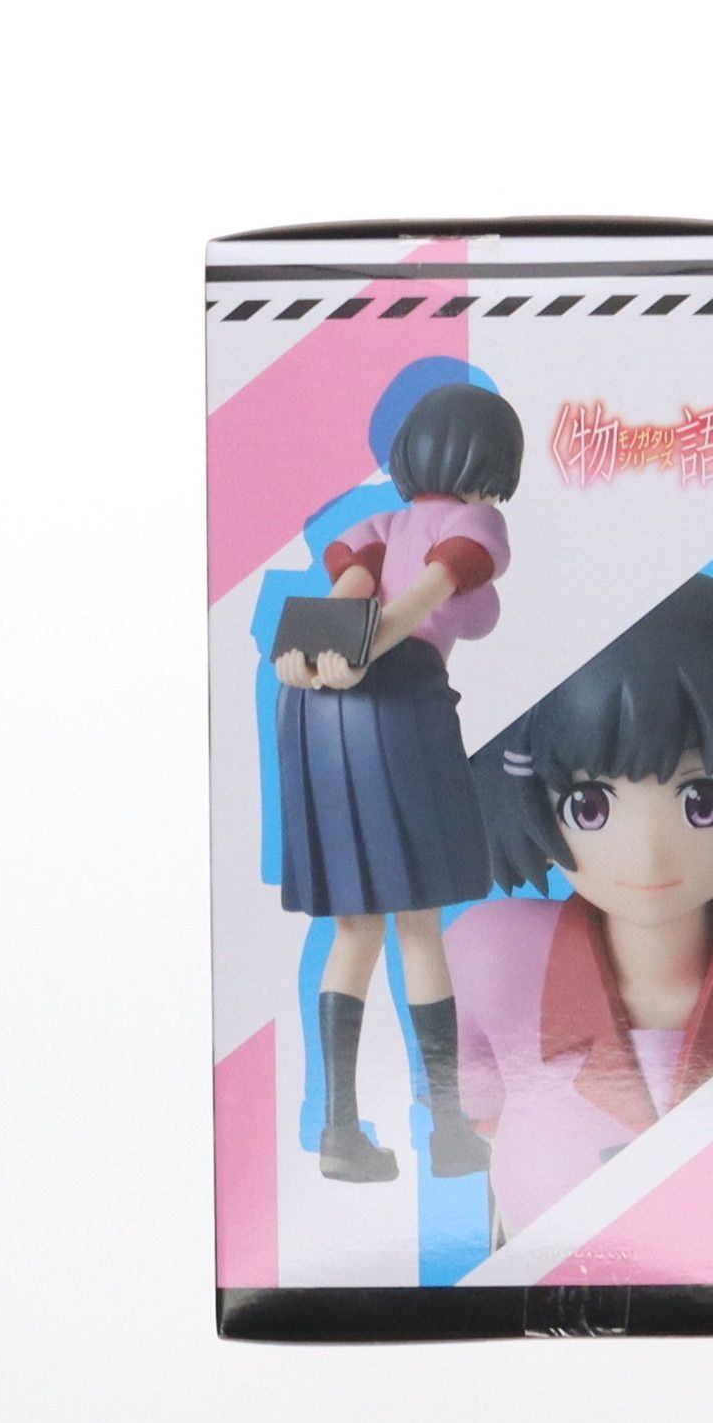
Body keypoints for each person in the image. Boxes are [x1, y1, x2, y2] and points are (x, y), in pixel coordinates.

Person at [444, 575, 713, 1234]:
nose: (648, 854)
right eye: (590, 806)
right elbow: (476, 1109)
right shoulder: (493, 961)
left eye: (704, 802)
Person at [274, 383, 524, 1182]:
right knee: (418, 925)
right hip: (396, 696)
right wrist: (365, 653)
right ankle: (448, 1129)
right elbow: (427, 597)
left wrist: (315, 657)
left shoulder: (380, 525)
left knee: (356, 928)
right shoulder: (474, 522)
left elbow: (347, 593)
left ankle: (340, 1133)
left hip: (315, 715)